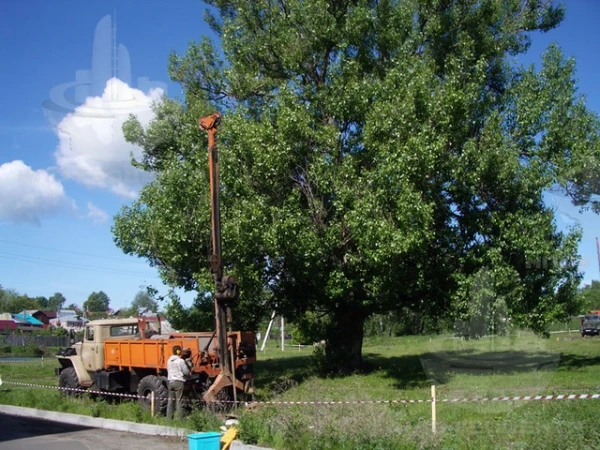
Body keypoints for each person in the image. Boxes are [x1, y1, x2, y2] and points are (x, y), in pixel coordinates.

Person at [166, 345, 190, 419]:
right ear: (179, 352)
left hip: (170, 382)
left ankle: (169, 419)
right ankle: (180, 419)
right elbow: (186, 372)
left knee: (170, 401)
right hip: (179, 382)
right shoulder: (181, 361)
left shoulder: (169, 360)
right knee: (179, 401)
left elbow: (168, 370)